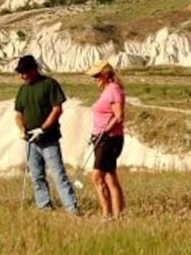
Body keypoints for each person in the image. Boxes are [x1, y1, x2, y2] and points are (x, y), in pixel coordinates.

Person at [13, 54, 80, 215]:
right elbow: (18, 113)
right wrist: (22, 130)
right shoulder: (23, 89)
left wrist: (42, 129)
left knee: (58, 174)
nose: (22, 76)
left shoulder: (49, 84)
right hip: (30, 140)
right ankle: (44, 207)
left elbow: (57, 109)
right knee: (37, 176)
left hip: (48, 139)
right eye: (20, 73)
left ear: (33, 69)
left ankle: (72, 208)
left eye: (24, 72)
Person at [85, 59, 126, 220]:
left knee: (97, 176)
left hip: (109, 139)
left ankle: (107, 215)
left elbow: (119, 116)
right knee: (109, 176)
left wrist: (104, 131)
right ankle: (117, 215)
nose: (94, 79)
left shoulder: (113, 90)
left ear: (105, 75)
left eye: (97, 76)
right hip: (102, 138)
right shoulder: (108, 90)